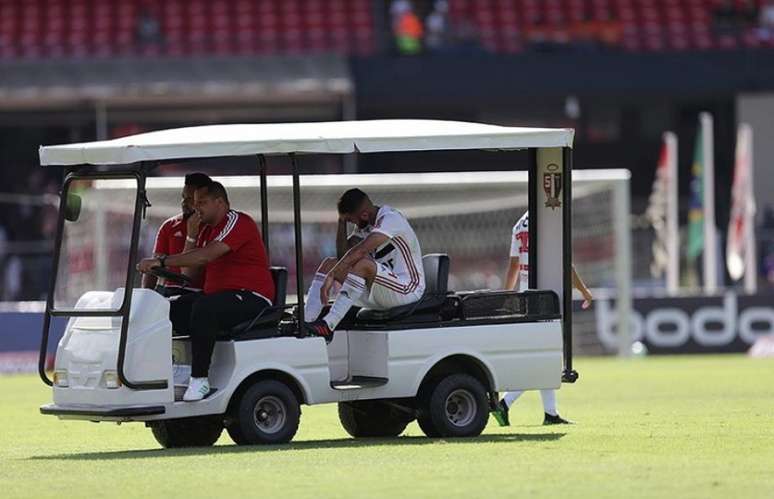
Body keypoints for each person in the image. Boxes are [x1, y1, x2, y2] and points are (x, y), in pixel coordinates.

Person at [137, 181, 274, 402]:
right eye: (194, 202)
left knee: (205, 307)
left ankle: (199, 379)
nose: (196, 207)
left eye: (202, 202)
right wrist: (190, 236)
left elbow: (205, 256)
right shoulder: (205, 231)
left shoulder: (237, 221)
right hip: (220, 298)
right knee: (165, 310)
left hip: (251, 298)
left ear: (219, 203)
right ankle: (162, 373)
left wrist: (160, 261)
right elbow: (189, 274)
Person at [492, 211, 593, 426]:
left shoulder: (519, 224)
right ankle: (506, 404)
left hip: (525, 297)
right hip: (544, 298)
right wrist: (584, 291)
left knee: (544, 356)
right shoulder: (550, 222)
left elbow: (514, 265)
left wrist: (507, 296)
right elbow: (565, 263)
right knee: (544, 357)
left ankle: (550, 413)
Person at [303, 188, 424, 341]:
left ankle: (328, 326)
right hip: (380, 289)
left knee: (362, 265)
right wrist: (341, 222)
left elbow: (360, 251)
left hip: (408, 289)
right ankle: (306, 322)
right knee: (329, 263)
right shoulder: (365, 225)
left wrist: (333, 276)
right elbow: (342, 258)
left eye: (351, 220)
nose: (353, 224)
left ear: (365, 215)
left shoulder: (391, 219)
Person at [142, 173, 211, 297]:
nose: (184, 203)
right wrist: (146, 297)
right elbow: (154, 267)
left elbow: (191, 272)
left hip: (201, 294)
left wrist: (191, 235)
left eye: (190, 199)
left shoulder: (213, 226)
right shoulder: (169, 226)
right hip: (169, 292)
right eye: (183, 197)